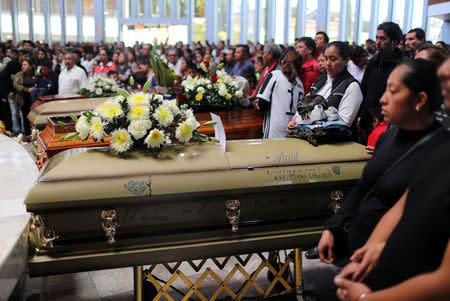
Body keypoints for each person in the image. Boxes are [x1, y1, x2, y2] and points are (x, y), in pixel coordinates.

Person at [303, 59, 449, 301]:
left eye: (393, 91)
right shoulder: (388, 136)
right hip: (365, 255)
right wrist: (335, 226)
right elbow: (365, 189)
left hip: (401, 271)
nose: (382, 99)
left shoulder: (438, 150)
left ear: (420, 100)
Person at [289, 41, 362, 128]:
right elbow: (304, 105)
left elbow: (342, 124)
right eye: (326, 59)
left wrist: (300, 120)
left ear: (346, 60)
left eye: (333, 59)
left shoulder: (352, 86)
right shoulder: (321, 80)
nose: (327, 63)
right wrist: (295, 118)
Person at [253, 50, 304, 138]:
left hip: (274, 128)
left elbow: (262, 103)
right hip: (292, 128)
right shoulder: (300, 84)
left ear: (282, 62)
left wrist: (257, 104)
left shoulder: (274, 75)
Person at [359, 22, 403, 117]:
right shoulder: (372, 62)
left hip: (387, 119)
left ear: (394, 42)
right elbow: (364, 90)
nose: (378, 42)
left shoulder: (402, 67)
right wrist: (361, 114)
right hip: (367, 118)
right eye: (377, 38)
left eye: (382, 38)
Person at [13, 59, 37, 135]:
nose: (23, 67)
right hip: (23, 99)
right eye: (22, 65)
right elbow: (16, 85)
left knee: (35, 118)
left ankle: (36, 134)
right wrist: (27, 89)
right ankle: (27, 134)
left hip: (34, 100)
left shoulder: (36, 74)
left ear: (30, 67)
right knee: (25, 117)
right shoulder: (19, 74)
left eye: (25, 65)